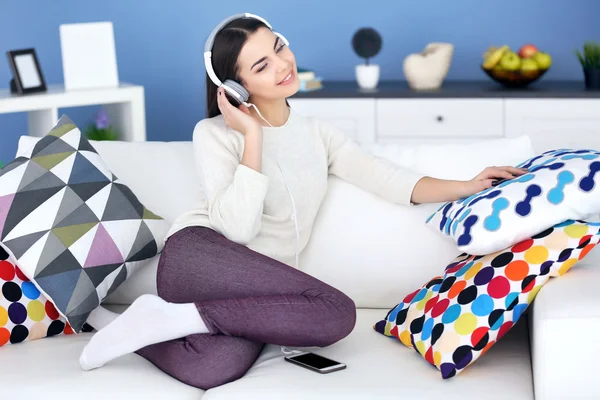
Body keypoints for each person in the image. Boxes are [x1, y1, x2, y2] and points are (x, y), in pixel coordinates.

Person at [78, 13, 527, 390]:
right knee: (337, 310)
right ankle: (171, 314)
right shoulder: (214, 134)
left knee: (215, 368)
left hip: (252, 292)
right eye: (261, 65)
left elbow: (389, 178)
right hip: (197, 259)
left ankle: (132, 325)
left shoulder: (318, 134)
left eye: (278, 48)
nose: (281, 65)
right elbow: (235, 229)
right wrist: (251, 137)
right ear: (234, 88)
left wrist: (465, 184)